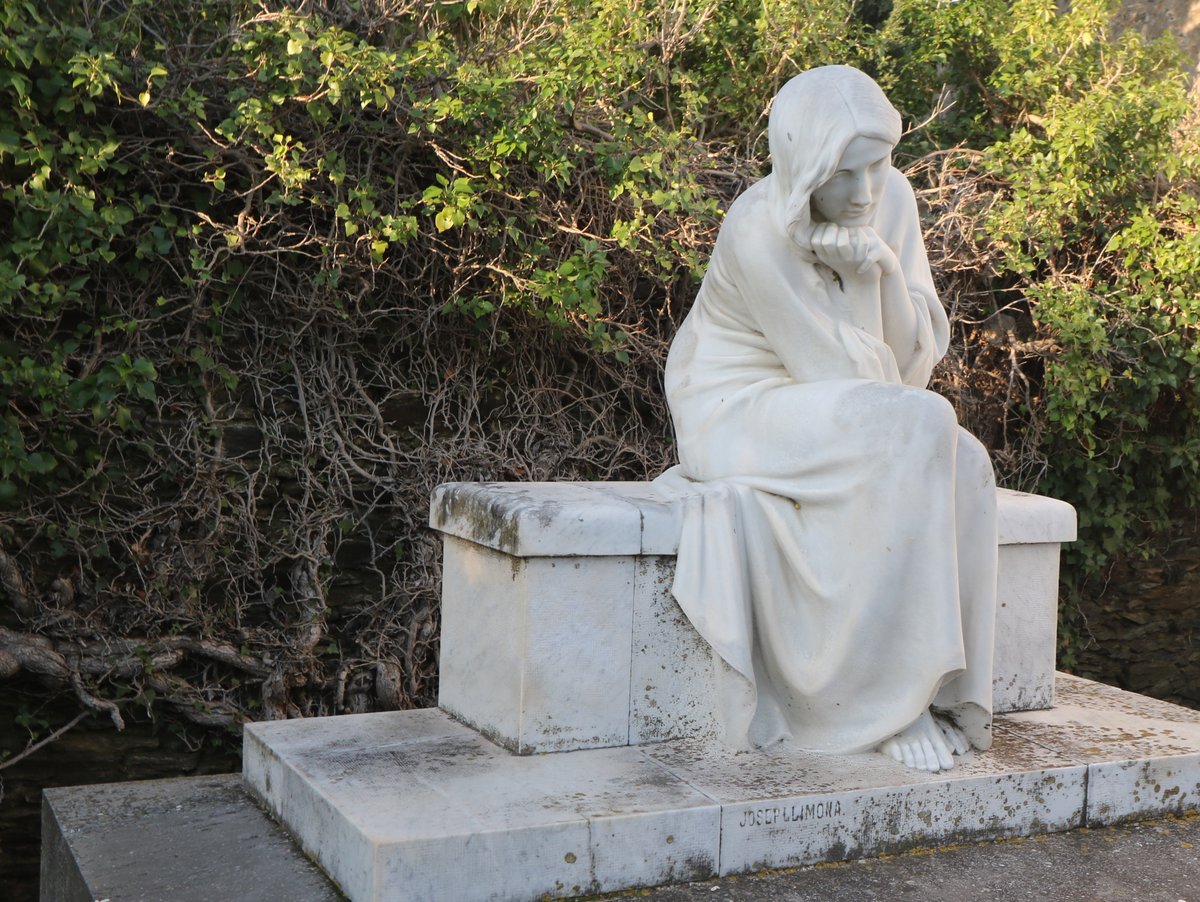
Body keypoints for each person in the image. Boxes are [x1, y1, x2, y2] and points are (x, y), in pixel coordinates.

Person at [655, 65, 997, 773]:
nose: (864, 191)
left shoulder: (887, 200)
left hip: (846, 403)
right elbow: (844, 382)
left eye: (876, 165)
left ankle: (937, 691)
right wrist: (856, 277)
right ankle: (878, 706)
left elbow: (905, 376)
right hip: (737, 405)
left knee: (964, 457)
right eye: (842, 175)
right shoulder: (760, 225)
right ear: (801, 164)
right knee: (912, 431)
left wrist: (871, 272)